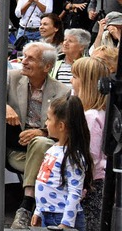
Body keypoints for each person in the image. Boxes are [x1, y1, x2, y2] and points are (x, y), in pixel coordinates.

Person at [0, 42, 70, 229]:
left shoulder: (62, 91)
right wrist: (3, 107)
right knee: (42, 146)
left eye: (30, 58)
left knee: (41, 142)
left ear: (47, 67)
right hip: (16, 151)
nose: (23, 62)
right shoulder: (11, 78)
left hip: (49, 155)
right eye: (24, 56)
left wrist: (42, 131)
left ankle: (26, 206)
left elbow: (65, 126)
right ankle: (38, 210)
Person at [31, 96, 92, 231]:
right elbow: (44, 182)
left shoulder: (72, 157)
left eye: (48, 119)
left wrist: (66, 224)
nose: (46, 123)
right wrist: (38, 211)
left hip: (62, 218)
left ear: (61, 126)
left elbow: (74, 192)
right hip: (47, 215)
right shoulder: (53, 150)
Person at [70, 57, 108, 231]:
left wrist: (81, 188)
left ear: (86, 82)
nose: (71, 81)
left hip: (92, 184)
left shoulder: (91, 117)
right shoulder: (98, 113)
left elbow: (90, 156)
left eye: (75, 77)